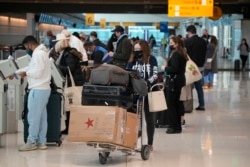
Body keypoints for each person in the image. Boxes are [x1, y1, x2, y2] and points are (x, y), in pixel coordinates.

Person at [8, 35, 51, 151]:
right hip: (43, 88)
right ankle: (42, 142)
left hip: (38, 89)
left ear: (29, 44)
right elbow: (31, 67)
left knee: (33, 117)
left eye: (26, 46)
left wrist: (25, 74)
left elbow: (37, 72)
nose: (27, 48)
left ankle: (31, 141)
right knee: (41, 117)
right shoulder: (41, 53)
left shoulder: (38, 54)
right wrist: (16, 73)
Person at [126, 39, 158, 151]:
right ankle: (133, 140)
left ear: (144, 49)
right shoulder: (132, 60)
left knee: (150, 119)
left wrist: (146, 83)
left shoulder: (151, 59)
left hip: (149, 92)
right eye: (135, 49)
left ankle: (150, 143)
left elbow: (154, 75)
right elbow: (128, 72)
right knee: (134, 117)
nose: (136, 52)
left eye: (139, 49)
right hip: (135, 93)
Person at [55, 38, 85, 135]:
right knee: (71, 106)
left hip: (74, 83)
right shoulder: (68, 53)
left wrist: (57, 66)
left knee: (71, 106)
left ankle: (70, 128)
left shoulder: (68, 55)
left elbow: (69, 69)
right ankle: (70, 127)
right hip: (75, 82)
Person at [161, 36, 187, 134]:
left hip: (174, 81)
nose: (170, 44)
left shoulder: (176, 54)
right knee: (175, 102)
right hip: (179, 80)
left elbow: (175, 68)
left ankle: (173, 126)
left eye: (172, 42)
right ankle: (177, 126)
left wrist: (165, 68)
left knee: (170, 103)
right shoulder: (181, 53)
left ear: (177, 43)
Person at [185, 25, 207, 111]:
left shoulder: (188, 42)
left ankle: (188, 105)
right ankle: (201, 104)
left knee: (188, 86)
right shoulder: (203, 41)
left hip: (190, 67)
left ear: (189, 32)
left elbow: (186, 55)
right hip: (200, 67)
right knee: (199, 87)